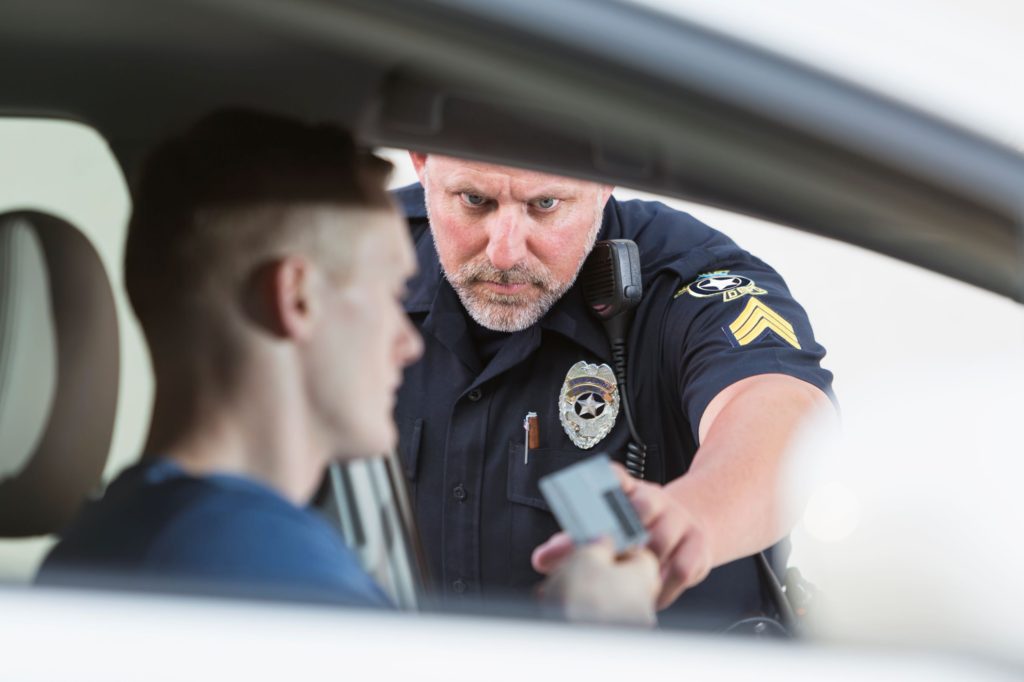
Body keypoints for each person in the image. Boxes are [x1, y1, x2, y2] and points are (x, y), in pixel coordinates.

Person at [36, 110, 659, 623]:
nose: (407, 343)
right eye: (389, 293)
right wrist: (606, 637)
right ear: (297, 299)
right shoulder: (265, 576)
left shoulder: (113, 538)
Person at [393, 154, 835, 628]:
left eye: (544, 204)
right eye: (475, 201)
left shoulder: (685, 275)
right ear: (421, 162)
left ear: (605, 179)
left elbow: (783, 414)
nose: (505, 251)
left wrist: (687, 522)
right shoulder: (352, 251)